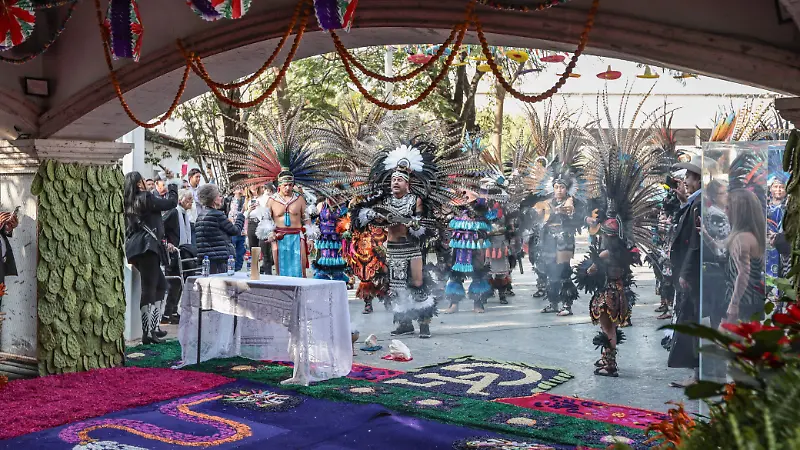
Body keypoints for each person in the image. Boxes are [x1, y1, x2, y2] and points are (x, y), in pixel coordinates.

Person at [123, 172, 179, 344]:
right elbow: (171, 203)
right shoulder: (145, 198)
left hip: (137, 248)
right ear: (140, 184)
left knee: (161, 285)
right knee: (149, 287)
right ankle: (148, 332)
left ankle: (153, 328)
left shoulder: (130, 201)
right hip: (147, 247)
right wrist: (172, 186)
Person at [667, 161, 702, 387]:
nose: (686, 182)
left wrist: (685, 273)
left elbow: (694, 242)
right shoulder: (694, 201)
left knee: (694, 319)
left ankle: (699, 375)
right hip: (691, 273)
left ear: (699, 179)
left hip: (695, 275)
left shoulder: (700, 202)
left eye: (689, 177)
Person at [257, 171, 319, 277]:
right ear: (279, 185)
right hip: (279, 237)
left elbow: (307, 219)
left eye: (290, 185)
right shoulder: (272, 200)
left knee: (300, 268)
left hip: (297, 237)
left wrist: (310, 238)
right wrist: (270, 233)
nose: (288, 188)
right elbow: (266, 219)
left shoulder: (300, 199)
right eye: (285, 185)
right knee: (280, 270)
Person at [722, 189, 766, 324]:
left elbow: (743, 273)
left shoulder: (742, 238)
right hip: (747, 299)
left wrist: (734, 304)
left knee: (728, 341)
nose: (725, 211)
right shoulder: (748, 235)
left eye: (728, 207)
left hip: (743, 302)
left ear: (738, 211)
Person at [195, 184, 245, 274]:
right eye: (219, 196)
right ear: (214, 199)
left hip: (206, 259)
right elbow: (235, 230)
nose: (221, 198)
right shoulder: (217, 215)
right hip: (219, 260)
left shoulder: (200, 215)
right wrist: (241, 215)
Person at [162, 189, 195, 323]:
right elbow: (161, 225)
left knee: (180, 283)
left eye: (191, 200)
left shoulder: (185, 214)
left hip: (183, 250)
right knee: (174, 284)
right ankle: (167, 314)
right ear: (181, 200)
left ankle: (173, 311)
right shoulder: (174, 212)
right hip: (174, 252)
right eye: (188, 200)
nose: (190, 203)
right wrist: (167, 242)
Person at [227, 187, 248, 271]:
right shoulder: (228, 200)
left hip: (242, 229)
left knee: (241, 250)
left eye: (241, 188)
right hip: (232, 228)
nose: (240, 190)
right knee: (232, 249)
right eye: (238, 188)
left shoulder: (245, 200)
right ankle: (232, 268)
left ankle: (238, 268)